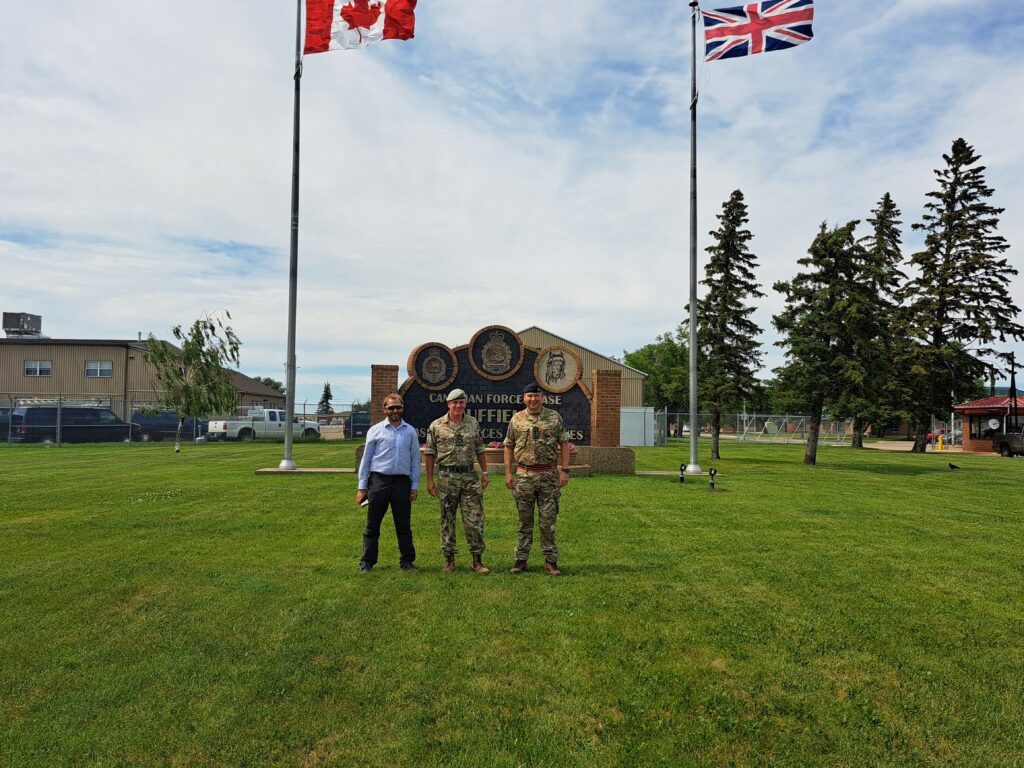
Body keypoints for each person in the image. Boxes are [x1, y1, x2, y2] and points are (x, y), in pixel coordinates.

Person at [503, 382, 570, 576]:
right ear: (524, 398)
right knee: (524, 521)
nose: (533, 399)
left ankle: (551, 562)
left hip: (549, 476)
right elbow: (508, 445)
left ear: (542, 398)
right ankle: (521, 560)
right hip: (524, 476)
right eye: (529, 396)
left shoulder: (554, 418)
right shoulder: (516, 419)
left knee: (547, 521)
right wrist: (508, 473)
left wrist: (565, 470)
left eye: (537, 396)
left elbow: (564, 443)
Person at [424, 388, 490, 574]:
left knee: (474, 519)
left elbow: (480, 449)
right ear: (449, 404)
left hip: (470, 477)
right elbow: (430, 454)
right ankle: (449, 560)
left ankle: (477, 561)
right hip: (447, 478)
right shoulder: (436, 426)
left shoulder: (473, 423)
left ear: (465, 404)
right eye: (455, 403)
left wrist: (485, 472)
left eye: (462, 402)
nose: (458, 406)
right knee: (447, 519)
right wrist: (430, 480)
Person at [355, 393, 420, 573]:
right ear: (385, 409)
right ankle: (367, 562)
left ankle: (407, 561)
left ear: (402, 408)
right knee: (372, 524)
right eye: (391, 408)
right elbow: (366, 459)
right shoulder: (375, 430)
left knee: (403, 525)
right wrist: (362, 487)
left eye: (398, 407)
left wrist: (414, 486)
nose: (395, 411)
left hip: (402, 482)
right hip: (379, 481)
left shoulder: (410, 431)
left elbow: (415, 459)